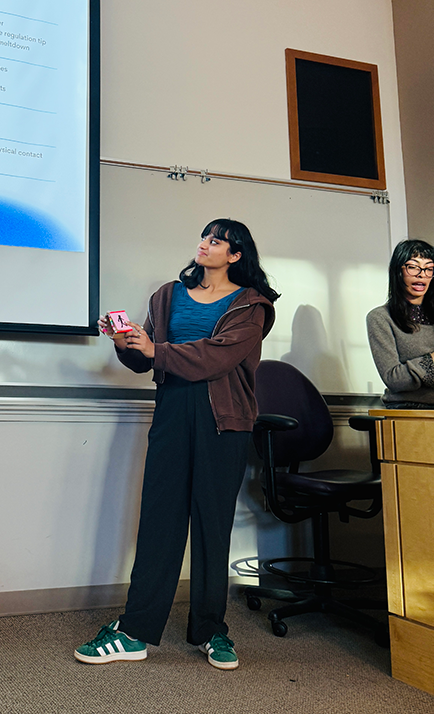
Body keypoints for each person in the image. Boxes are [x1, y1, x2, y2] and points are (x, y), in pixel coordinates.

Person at [75, 219, 278, 670]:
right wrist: (127, 343)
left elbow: (217, 356)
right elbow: (144, 359)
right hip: (171, 412)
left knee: (212, 526)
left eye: (217, 240)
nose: (205, 245)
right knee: (159, 523)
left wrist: (155, 350)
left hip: (224, 421)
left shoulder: (251, 305)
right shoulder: (167, 295)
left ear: (235, 255)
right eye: (204, 237)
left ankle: (211, 630)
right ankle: (135, 631)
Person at [366, 239, 434, 409]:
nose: (422, 274)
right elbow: (394, 379)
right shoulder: (380, 317)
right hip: (408, 409)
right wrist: (432, 360)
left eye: (429, 268)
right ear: (398, 271)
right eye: (413, 267)